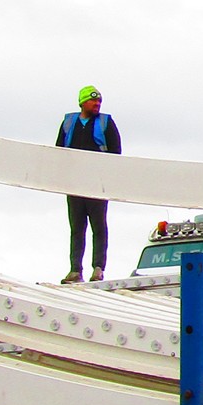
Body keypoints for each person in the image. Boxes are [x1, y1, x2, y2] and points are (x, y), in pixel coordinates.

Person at [57, 86, 121, 283]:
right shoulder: (69, 123)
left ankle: (98, 268)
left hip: (97, 184)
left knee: (99, 226)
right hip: (74, 184)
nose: (97, 105)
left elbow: (116, 152)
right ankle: (75, 270)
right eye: (93, 101)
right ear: (82, 102)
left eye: (99, 102)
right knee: (77, 227)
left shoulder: (105, 122)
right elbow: (59, 151)